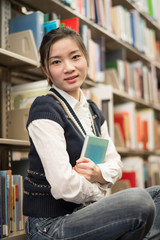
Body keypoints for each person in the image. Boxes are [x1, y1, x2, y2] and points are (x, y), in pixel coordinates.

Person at [23, 27, 160, 240]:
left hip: (85, 214)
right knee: (139, 201)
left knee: (158, 195)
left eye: (75, 57)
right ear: (45, 70)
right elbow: (64, 186)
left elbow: (115, 163)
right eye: (56, 62)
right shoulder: (44, 109)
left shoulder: (93, 110)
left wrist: (96, 173)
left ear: (86, 59)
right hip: (50, 225)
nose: (68, 68)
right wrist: (100, 190)